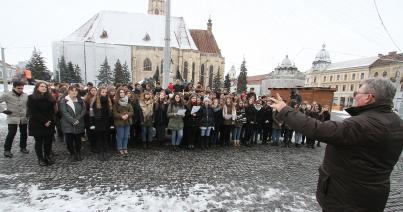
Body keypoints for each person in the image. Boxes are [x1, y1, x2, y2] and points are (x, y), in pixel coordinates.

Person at [268, 78, 403, 212]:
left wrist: (285, 110)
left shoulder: (362, 124)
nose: (354, 96)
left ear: (369, 97)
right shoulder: (397, 122)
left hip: (347, 198)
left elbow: (318, 129)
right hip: (373, 195)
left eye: (357, 93)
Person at [27, 82, 56, 166]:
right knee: (39, 142)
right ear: (37, 87)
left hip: (49, 123)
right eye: (42, 86)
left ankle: (47, 156)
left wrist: (49, 121)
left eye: (45, 87)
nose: (44, 88)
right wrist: (45, 121)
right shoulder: (31, 98)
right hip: (37, 123)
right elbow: (34, 112)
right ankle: (40, 159)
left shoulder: (50, 98)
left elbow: (52, 111)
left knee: (48, 142)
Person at [0, 80, 29, 158]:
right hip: (13, 118)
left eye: (22, 88)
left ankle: (23, 147)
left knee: (24, 133)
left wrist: (28, 113)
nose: (20, 90)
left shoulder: (25, 95)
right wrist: (3, 110)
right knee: (11, 133)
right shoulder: (7, 95)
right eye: (19, 88)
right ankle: (7, 150)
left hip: (23, 118)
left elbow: (28, 105)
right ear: (14, 87)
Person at [59, 86, 87, 162]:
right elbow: (64, 112)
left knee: (78, 140)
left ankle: (78, 153)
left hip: (78, 123)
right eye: (72, 90)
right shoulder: (64, 101)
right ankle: (72, 153)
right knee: (69, 141)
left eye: (76, 91)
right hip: (68, 124)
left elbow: (84, 110)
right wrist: (72, 120)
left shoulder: (80, 100)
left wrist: (77, 119)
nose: (74, 92)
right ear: (69, 92)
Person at [90, 86, 112, 161]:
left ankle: (106, 151)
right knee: (99, 138)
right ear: (99, 92)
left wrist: (111, 123)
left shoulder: (108, 100)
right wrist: (92, 124)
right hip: (98, 122)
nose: (104, 94)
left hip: (106, 122)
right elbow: (91, 114)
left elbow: (110, 113)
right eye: (103, 92)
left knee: (106, 137)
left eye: (106, 92)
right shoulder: (95, 100)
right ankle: (100, 152)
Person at [113, 88, 133, 156]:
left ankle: (125, 148)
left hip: (127, 122)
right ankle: (120, 148)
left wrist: (127, 114)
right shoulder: (116, 102)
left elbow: (131, 111)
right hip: (119, 122)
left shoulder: (128, 101)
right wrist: (121, 116)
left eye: (123, 92)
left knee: (126, 136)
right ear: (118, 93)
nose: (122, 93)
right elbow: (114, 113)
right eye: (120, 92)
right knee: (120, 136)